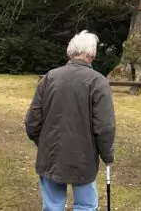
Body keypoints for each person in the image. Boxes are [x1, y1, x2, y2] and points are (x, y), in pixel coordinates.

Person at [25, 30, 116, 211]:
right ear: (92, 54)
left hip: (51, 153)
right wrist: (107, 155)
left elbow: (32, 121)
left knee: (52, 206)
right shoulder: (98, 82)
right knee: (85, 206)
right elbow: (105, 127)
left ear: (70, 52)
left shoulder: (49, 78)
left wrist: (43, 143)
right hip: (83, 157)